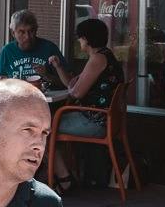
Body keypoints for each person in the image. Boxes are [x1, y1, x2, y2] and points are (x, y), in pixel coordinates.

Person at [47, 17, 124, 193]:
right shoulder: (105, 55)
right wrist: (59, 67)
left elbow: (77, 93)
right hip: (108, 120)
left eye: (80, 37)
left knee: (42, 128)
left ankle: (65, 179)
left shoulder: (97, 59)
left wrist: (74, 88)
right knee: (48, 125)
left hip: (96, 121)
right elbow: (72, 85)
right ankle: (64, 175)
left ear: (87, 39)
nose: (79, 41)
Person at [0, 9, 63, 89]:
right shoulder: (7, 51)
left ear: (36, 30)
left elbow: (68, 84)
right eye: (22, 32)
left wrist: (47, 75)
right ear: (13, 33)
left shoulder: (50, 48)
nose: (27, 37)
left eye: (31, 31)